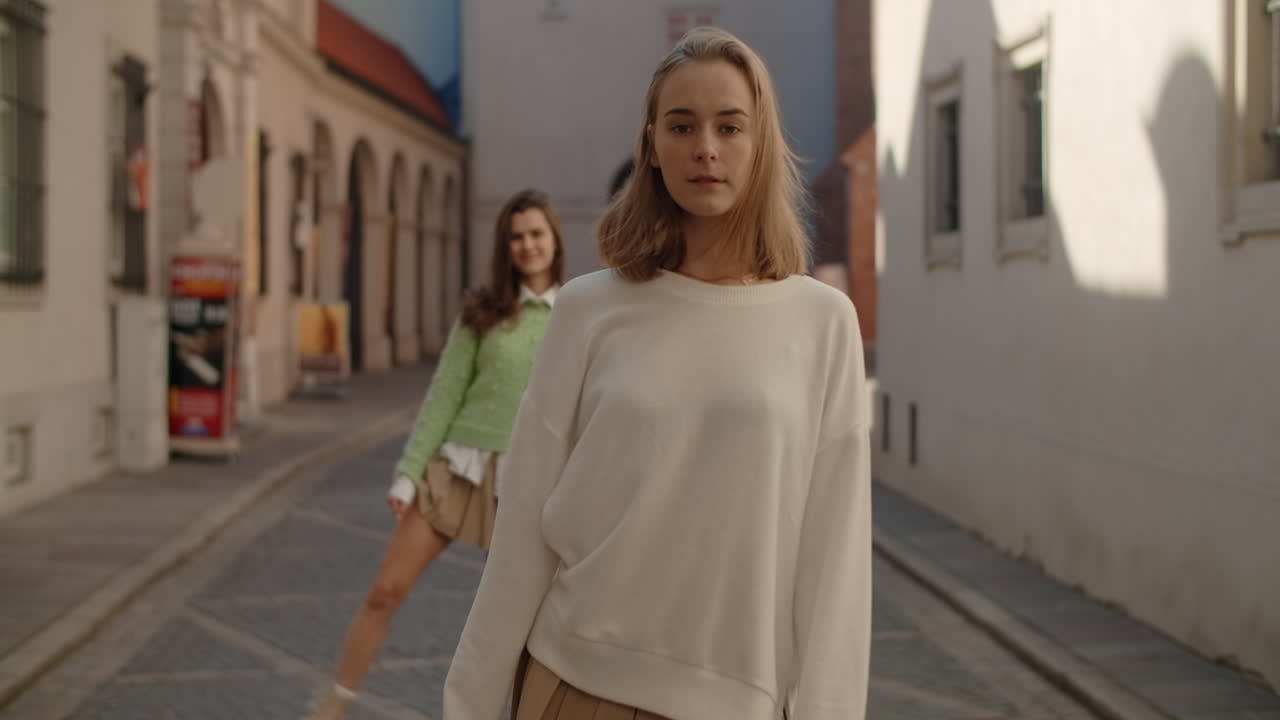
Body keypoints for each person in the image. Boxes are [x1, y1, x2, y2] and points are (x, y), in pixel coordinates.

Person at [443, 27, 871, 720]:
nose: (707, 146)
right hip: (573, 688)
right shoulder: (587, 310)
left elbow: (836, 562)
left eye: (730, 126)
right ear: (651, 144)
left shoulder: (823, 323)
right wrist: (470, 704)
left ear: (759, 143)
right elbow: (522, 527)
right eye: (682, 125)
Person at [306, 189, 567, 720]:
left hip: (527, 484)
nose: (527, 245)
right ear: (505, 246)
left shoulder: (576, 314)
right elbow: (444, 395)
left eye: (536, 234)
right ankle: (335, 703)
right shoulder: (483, 311)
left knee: (520, 625)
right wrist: (407, 475)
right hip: (457, 468)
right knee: (385, 589)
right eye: (516, 237)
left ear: (554, 240)